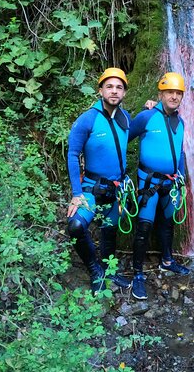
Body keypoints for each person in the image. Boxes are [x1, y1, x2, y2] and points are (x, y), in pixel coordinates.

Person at [66, 67, 132, 294]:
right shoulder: (88, 119)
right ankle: (95, 271)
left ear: (124, 93)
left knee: (110, 229)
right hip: (91, 188)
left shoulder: (125, 118)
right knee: (75, 226)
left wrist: (152, 106)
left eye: (119, 87)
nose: (114, 91)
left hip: (117, 188)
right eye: (110, 86)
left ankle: (109, 270)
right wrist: (76, 193)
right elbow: (73, 154)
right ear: (101, 89)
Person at [130, 72, 190, 300]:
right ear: (160, 94)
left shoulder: (181, 121)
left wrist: (182, 177)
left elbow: (180, 152)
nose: (174, 96)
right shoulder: (146, 117)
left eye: (178, 93)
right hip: (149, 182)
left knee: (167, 223)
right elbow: (124, 137)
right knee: (144, 226)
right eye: (169, 92)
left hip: (172, 182)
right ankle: (137, 274)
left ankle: (167, 260)